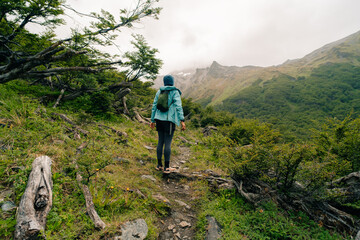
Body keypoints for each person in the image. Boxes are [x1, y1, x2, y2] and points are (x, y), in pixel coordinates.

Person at [150, 75, 186, 174]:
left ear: (164, 82)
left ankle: (159, 165)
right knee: (168, 143)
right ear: (172, 82)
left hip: (158, 119)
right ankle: (166, 168)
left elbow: (154, 106)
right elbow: (179, 106)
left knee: (160, 141)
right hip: (168, 121)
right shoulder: (175, 92)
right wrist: (182, 120)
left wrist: (152, 120)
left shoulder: (159, 91)